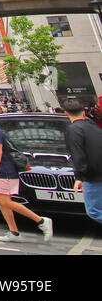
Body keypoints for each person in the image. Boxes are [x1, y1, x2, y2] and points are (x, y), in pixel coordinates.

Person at [0, 100, 51, 242]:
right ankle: (14, 232)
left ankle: (41, 221)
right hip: (1, 170)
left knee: (5, 201)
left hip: (4, 170)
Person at [64, 97, 102, 226]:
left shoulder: (73, 130)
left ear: (66, 113)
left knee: (95, 211)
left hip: (93, 176)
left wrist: (79, 177)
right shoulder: (94, 127)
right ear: (83, 112)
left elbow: (78, 154)